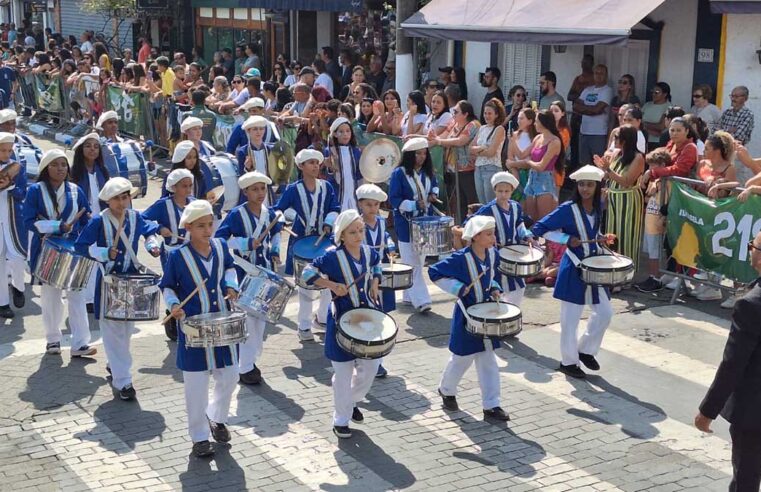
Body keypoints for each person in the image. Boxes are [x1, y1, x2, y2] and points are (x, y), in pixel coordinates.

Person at [161, 200, 239, 458]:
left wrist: (231, 285)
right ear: (188, 228)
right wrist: (173, 305)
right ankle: (199, 437)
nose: (207, 230)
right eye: (201, 226)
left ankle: (216, 417)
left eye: (210, 224)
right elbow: (168, 285)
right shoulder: (177, 255)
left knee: (229, 376)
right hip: (193, 326)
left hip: (221, 323)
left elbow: (229, 268)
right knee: (195, 385)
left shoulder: (220, 246)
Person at [75, 177, 161, 400]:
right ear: (108, 201)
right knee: (112, 333)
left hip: (131, 282)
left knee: (125, 332)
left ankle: (116, 365)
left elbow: (150, 231)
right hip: (109, 282)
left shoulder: (135, 217)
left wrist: (152, 246)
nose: (122, 202)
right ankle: (124, 382)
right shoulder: (98, 221)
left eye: (125, 197)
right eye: (117, 198)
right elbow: (81, 247)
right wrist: (104, 253)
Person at [301, 209, 383, 439]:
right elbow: (307, 274)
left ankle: (352, 400)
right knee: (343, 372)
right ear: (342, 235)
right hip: (341, 319)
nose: (358, 235)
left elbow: (377, 265)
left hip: (367, 318)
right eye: (352, 232)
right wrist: (330, 285)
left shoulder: (368, 252)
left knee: (371, 366)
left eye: (361, 230)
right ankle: (341, 419)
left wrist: (376, 281)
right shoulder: (330, 256)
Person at [531, 165, 616, 379]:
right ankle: (568, 361)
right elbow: (539, 229)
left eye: (589, 185)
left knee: (605, 313)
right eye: (581, 185)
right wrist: (565, 239)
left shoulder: (598, 207)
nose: (585, 189)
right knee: (570, 319)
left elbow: (590, 231)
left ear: (597, 187)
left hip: (595, 266)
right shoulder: (568, 208)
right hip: (573, 268)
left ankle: (585, 349)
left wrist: (602, 237)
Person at [695, 230, 761, 492]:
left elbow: (733, 364)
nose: (750, 251)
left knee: (745, 478)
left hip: (754, 412)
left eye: (753, 246)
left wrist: (707, 411)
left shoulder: (752, 304)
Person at [429, 215, 510, 421]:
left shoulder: (493, 254)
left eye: (493, 233)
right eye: (489, 234)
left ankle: (492, 405)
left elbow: (494, 278)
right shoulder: (460, 258)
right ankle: (446, 390)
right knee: (461, 358)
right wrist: (456, 288)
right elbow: (434, 271)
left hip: (487, 314)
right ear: (475, 236)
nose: (493, 238)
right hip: (467, 314)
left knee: (488, 360)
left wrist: (495, 289)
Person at [24, 149, 93, 357]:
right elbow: (28, 221)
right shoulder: (35, 191)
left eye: (64, 164)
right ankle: (53, 339)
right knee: (50, 296)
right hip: (47, 248)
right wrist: (56, 226)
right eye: (55, 164)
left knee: (77, 295)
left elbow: (85, 218)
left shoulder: (75, 190)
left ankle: (80, 343)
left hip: (72, 249)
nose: (60, 168)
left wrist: (83, 233)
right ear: (46, 168)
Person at [215, 171, 281, 385]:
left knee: (260, 321)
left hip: (264, 274)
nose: (260, 193)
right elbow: (220, 241)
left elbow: (276, 233)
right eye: (255, 189)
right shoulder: (235, 214)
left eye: (262, 188)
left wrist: (275, 251)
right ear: (245, 192)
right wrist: (244, 244)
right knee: (246, 321)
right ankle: (245, 367)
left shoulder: (269, 213)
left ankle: (250, 361)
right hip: (244, 273)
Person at [274, 149, 339, 341]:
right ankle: (303, 326)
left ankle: (322, 318)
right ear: (301, 166)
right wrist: (281, 219)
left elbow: (334, 208)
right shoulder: (294, 189)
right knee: (305, 288)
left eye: (317, 162)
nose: (315, 166)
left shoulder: (326, 187)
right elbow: (278, 209)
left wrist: (329, 222)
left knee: (328, 283)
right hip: (302, 242)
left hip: (324, 242)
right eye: (310, 163)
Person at [142, 168, 195, 340]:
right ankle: (173, 316)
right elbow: (143, 218)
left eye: (190, 185)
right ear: (173, 187)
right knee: (174, 284)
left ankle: (188, 320)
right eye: (183, 186)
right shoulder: (163, 204)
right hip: (172, 253)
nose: (187, 190)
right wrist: (159, 228)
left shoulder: (194, 203)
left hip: (192, 252)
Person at [389, 137, 439, 313]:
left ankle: (409, 296)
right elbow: (394, 199)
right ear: (410, 155)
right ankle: (422, 301)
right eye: (418, 154)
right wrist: (414, 205)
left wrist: (433, 194)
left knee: (419, 259)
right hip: (405, 224)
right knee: (413, 262)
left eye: (424, 153)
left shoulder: (427, 172)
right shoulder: (399, 173)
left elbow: (435, 185)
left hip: (425, 223)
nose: (422, 157)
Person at [470, 172, 535, 305]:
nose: (503, 194)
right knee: (497, 283)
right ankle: (500, 310)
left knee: (518, 285)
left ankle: (513, 311)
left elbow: (519, 223)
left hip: (514, 253)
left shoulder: (516, 206)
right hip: (496, 253)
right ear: (494, 190)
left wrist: (527, 235)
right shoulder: (488, 209)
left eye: (506, 191)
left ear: (512, 191)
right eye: (500, 191)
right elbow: (472, 223)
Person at [594, 125, 645, 276]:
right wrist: (602, 170)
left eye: (616, 137)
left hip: (628, 199)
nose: (613, 140)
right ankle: (613, 270)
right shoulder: (616, 153)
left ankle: (627, 273)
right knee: (612, 233)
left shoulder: (638, 157)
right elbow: (609, 176)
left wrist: (608, 169)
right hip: (614, 198)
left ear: (625, 140)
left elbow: (627, 181)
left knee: (627, 235)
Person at [357, 184, 396, 378]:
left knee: (380, 316)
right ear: (360, 205)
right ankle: (366, 358)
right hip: (363, 276)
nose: (373, 208)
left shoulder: (381, 222)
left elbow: (386, 236)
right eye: (368, 205)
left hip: (379, 275)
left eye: (376, 204)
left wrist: (390, 246)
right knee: (368, 317)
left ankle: (377, 359)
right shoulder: (357, 225)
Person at [507, 109, 563, 221]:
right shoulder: (538, 138)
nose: (534, 124)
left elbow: (541, 166)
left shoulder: (554, 141)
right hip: (531, 179)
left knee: (543, 220)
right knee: (530, 218)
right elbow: (522, 155)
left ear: (543, 122)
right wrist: (512, 141)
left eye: (536, 121)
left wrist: (527, 162)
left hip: (544, 180)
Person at [431, 100, 479, 223]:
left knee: (471, 201)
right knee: (459, 203)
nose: (453, 114)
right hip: (454, 169)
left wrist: (438, 142)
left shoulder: (473, 125)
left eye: (456, 112)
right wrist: (426, 138)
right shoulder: (453, 124)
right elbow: (442, 138)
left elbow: (460, 141)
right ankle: (461, 227)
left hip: (469, 170)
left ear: (465, 114)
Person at [635, 149, 672, 293]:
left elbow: (668, 202)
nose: (650, 169)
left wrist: (663, 218)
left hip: (657, 221)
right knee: (650, 252)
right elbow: (648, 197)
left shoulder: (668, 183)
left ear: (662, 165)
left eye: (653, 166)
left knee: (655, 252)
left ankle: (655, 278)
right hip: (650, 218)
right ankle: (652, 276)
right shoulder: (655, 181)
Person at [0, 131, 26, 318]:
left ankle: (18, 286)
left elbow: (22, 192)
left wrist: (9, 186)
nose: (6, 154)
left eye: (9, 150)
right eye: (2, 150)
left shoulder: (17, 167)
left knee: (18, 257)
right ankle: (3, 303)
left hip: (12, 220)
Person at [573, 64, 612, 166]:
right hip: (584, 132)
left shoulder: (607, 90)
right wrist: (591, 109)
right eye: (596, 73)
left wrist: (585, 108)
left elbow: (596, 110)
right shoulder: (587, 90)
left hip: (599, 134)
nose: (598, 75)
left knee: (599, 165)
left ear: (606, 75)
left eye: (601, 73)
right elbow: (575, 106)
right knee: (584, 164)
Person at [641, 117, 699, 184]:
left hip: (680, 189)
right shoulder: (671, 144)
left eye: (678, 130)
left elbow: (679, 170)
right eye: (672, 130)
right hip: (666, 186)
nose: (674, 133)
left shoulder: (690, 147)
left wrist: (653, 172)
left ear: (686, 131)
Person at [471, 98, 506, 204]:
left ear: (496, 114)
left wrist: (478, 150)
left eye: (490, 113)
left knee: (491, 203)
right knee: (482, 203)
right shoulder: (482, 128)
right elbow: (470, 148)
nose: (486, 116)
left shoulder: (499, 129)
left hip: (492, 168)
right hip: (478, 168)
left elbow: (492, 152)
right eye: (485, 113)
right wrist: (482, 148)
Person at [324, 117, 362, 212]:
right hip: (337, 189)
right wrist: (330, 167)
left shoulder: (356, 151)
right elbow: (328, 174)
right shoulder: (330, 151)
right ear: (335, 134)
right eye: (341, 132)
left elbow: (358, 173)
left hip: (353, 188)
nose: (345, 134)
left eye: (348, 131)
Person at [504, 108, 538, 203]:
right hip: (515, 173)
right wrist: (514, 172)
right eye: (518, 118)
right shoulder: (514, 135)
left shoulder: (535, 138)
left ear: (530, 121)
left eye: (522, 118)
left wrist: (513, 164)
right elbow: (510, 157)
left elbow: (524, 158)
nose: (519, 121)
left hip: (529, 173)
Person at [642, 82, 671, 150]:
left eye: (656, 92)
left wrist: (644, 125)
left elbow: (660, 126)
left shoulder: (668, 107)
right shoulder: (647, 105)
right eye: (653, 92)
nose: (653, 94)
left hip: (658, 142)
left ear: (665, 94)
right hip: (644, 140)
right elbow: (638, 121)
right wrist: (651, 130)